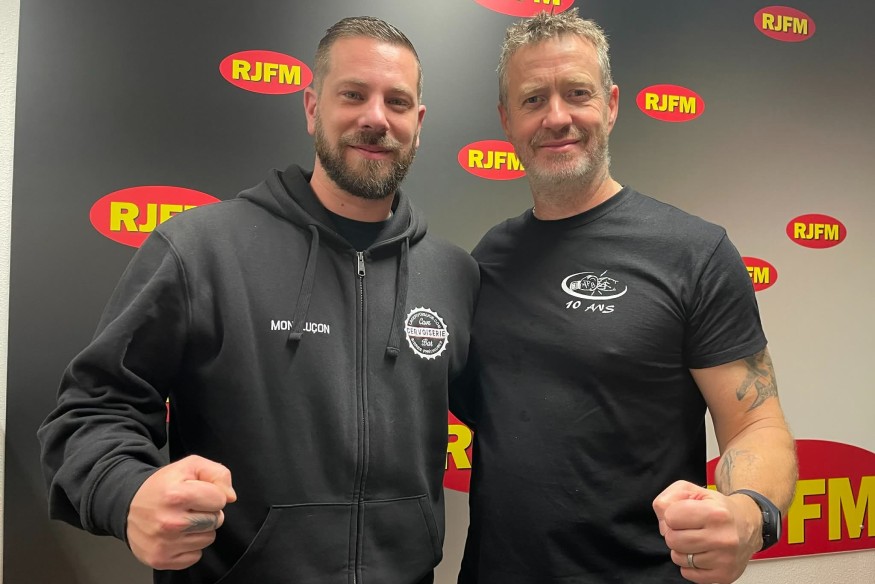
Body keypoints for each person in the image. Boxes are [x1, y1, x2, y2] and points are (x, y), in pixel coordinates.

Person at [38, 16, 478, 584]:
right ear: (312, 107)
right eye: (353, 94)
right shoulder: (201, 250)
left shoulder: (453, 274)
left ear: (417, 123)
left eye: (396, 101)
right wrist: (127, 492)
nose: (375, 117)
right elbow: (92, 409)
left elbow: (519, 417)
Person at [451, 8, 797, 584]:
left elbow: (756, 423)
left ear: (610, 105)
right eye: (534, 99)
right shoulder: (490, 255)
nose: (557, 117)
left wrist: (750, 512)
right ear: (507, 120)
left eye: (577, 93)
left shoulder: (694, 252)